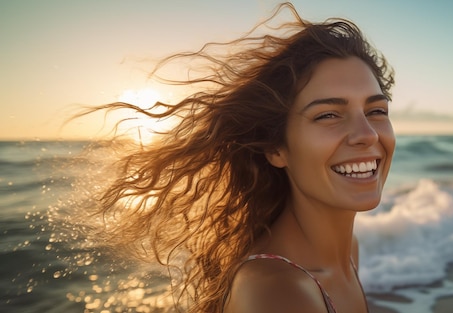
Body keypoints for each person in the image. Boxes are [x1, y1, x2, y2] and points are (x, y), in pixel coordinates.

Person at [85, 2, 395, 312]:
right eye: (328, 115)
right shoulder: (278, 293)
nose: (367, 134)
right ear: (276, 149)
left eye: (376, 111)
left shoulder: (346, 253)